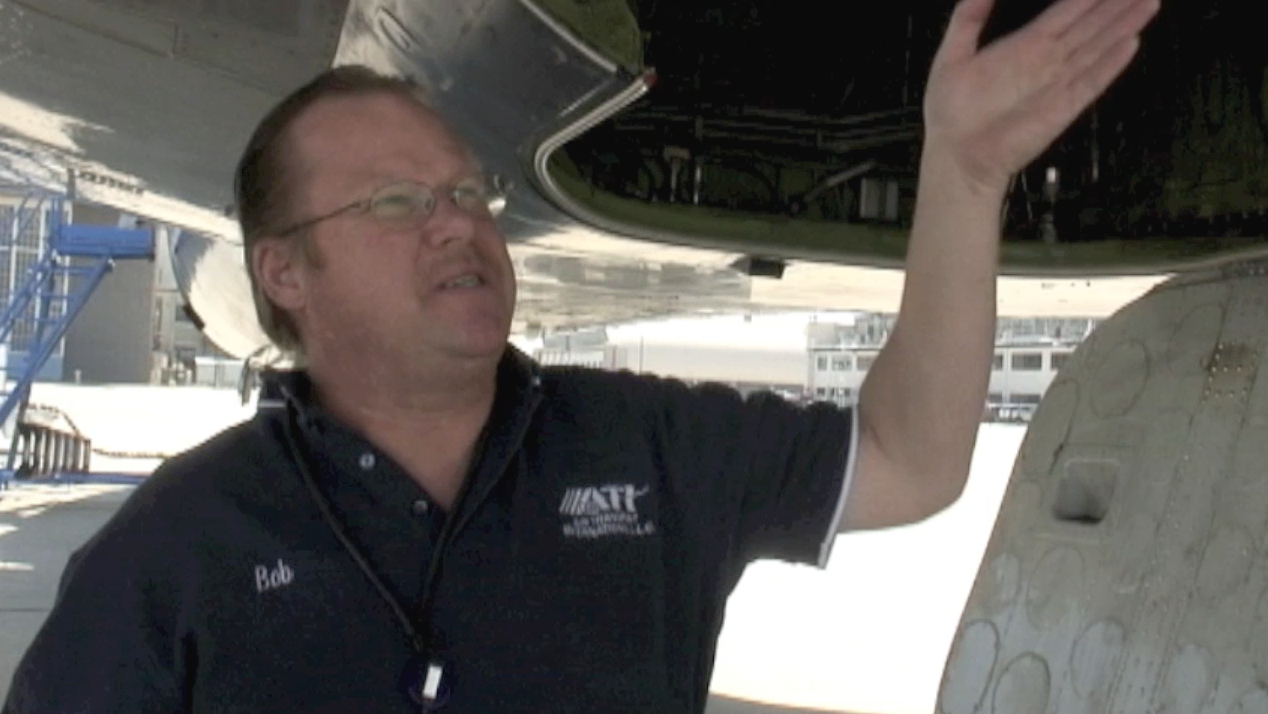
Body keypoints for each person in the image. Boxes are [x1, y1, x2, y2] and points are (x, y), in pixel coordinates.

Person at [3, 0, 1157, 711]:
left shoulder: (648, 449)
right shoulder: (180, 546)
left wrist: (959, 176)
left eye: (467, 191)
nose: (457, 220)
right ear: (282, 274)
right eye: (398, 200)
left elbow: (911, 459)